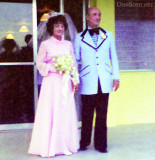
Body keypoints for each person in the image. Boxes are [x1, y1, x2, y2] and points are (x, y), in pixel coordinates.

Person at [28, 15, 79, 158]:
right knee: (52, 111)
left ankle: (65, 145)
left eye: (62, 26)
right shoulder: (45, 44)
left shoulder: (68, 44)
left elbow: (73, 63)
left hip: (65, 83)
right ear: (51, 28)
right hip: (51, 83)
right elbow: (39, 63)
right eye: (57, 26)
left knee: (64, 111)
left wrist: (75, 80)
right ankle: (49, 146)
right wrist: (53, 67)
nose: (60, 28)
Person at [74, 7, 120, 153]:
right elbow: (75, 60)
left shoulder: (108, 35)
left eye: (99, 14)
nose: (97, 17)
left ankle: (101, 144)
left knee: (102, 114)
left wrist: (116, 77)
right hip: (87, 79)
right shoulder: (79, 37)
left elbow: (114, 56)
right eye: (94, 15)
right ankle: (84, 142)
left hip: (104, 79)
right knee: (87, 114)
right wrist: (75, 78)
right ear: (87, 17)